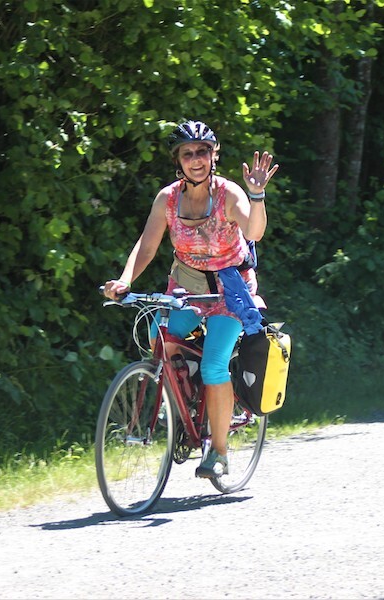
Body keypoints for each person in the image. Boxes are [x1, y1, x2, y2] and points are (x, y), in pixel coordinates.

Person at [101, 120, 279, 479]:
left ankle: (219, 452)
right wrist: (124, 280)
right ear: (178, 161)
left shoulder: (229, 194)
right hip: (186, 287)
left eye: (202, 152)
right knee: (159, 340)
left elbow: (255, 231)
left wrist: (257, 195)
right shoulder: (167, 199)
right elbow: (147, 245)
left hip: (230, 291)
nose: (196, 159)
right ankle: (187, 397)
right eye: (187, 153)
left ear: (214, 156)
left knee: (214, 365)